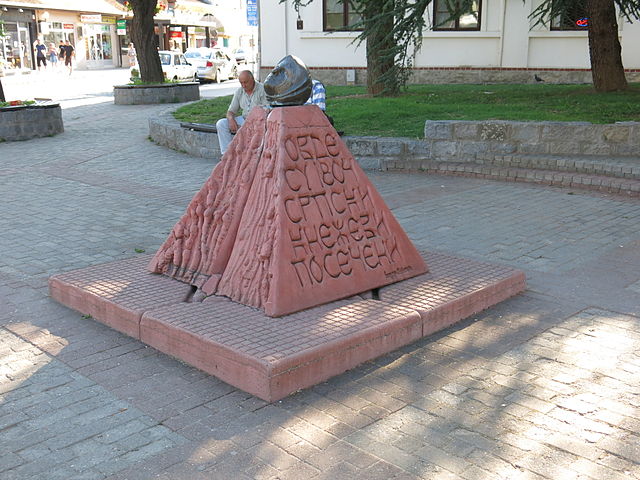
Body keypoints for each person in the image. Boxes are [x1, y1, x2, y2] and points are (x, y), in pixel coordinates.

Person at [215, 70, 268, 155]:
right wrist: (231, 119)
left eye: (246, 82)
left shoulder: (262, 90)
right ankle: (227, 154)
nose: (243, 85)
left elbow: (267, 110)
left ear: (252, 79)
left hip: (258, 122)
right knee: (221, 124)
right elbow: (230, 111)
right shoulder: (239, 91)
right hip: (244, 119)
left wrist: (253, 120)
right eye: (241, 83)